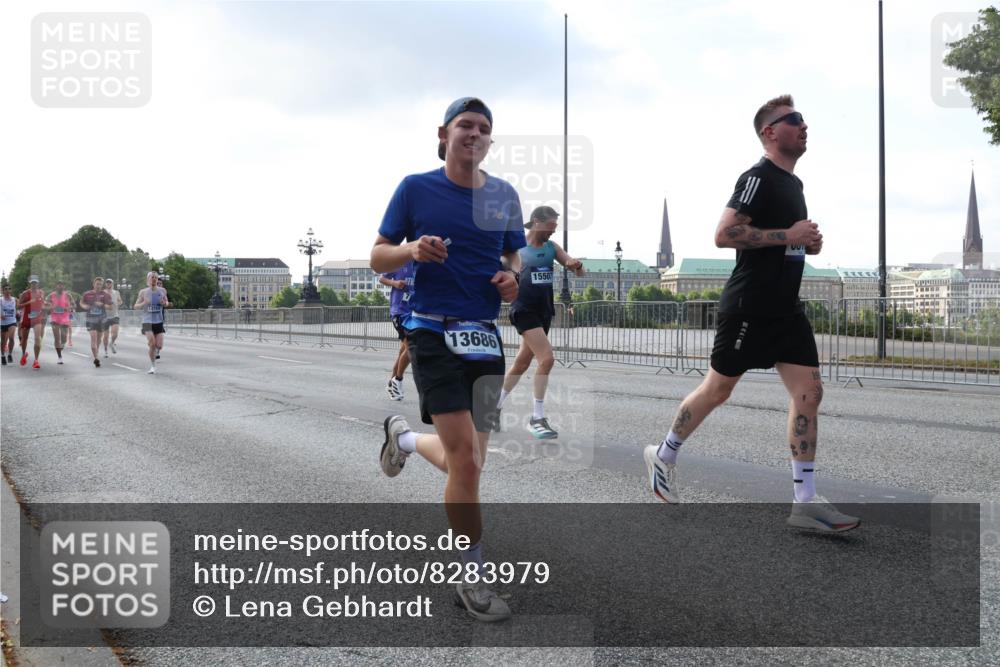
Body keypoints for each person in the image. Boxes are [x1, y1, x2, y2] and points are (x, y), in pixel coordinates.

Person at [643, 95, 859, 533]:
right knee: (717, 390)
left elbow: (783, 242)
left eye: (803, 118)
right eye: (794, 120)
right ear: (769, 132)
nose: (804, 125)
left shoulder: (793, 185)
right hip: (749, 305)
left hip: (786, 309)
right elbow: (725, 234)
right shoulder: (756, 177)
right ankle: (663, 455)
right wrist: (788, 234)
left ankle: (804, 501)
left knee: (810, 394)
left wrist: (805, 244)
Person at [372, 97, 524, 621]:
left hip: (483, 336)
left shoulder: (504, 196)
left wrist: (513, 280)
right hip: (430, 331)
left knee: (473, 462)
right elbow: (377, 255)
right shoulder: (416, 188)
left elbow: (512, 257)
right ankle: (472, 574)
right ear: (445, 133)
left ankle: (405, 440)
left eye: (484, 129)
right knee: (465, 459)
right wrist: (411, 250)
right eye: (466, 125)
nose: (475, 134)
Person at [496, 206, 584, 439]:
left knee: (521, 364)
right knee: (547, 359)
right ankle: (537, 417)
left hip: (544, 311)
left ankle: (492, 409)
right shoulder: (517, 250)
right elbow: (497, 274)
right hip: (523, 309)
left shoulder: (550, 248)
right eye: (550, 227)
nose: (553, 232)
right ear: (536, 222)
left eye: (555, 228)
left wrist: (576, 265)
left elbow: (572, 265)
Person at [378, 260, 415, 400]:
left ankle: (392, 383)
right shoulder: (400, 262)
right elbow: (382, 278)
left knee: (403, 351)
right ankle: (398, 380)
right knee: (412, 347)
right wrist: (395, 283)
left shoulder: (421, 264)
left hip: (413, 312)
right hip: (399, 312)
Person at [135, 271, 170, 374]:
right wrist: (144, 303)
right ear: (148, 280)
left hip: (158, 321)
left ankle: (154, 347)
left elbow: (166, 303)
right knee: (152, 344)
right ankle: (153, 366)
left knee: (159, 346)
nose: (154, 279)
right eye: (151, 277)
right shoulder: (143, 292)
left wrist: (164, 303)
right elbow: (135, 306)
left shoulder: (162, 290)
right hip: (147, 322)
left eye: (155, 277)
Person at [16, 276, 47, 369]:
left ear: (38, 283)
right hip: (26, 318)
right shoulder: (25, 294)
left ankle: (36, 360)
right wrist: (29, 302)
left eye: (35, 283)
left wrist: (46, 306)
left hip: (37, 318)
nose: (34, 284)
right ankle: (23, 354)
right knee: (24, 339)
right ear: (30, 283)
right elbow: (18, 306)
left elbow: (42, 304)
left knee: (37, 338)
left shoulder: (41, 292)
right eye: (32, 283)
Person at [80, 277, 111, 367]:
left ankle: (96, 353)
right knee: (93, 338)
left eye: (100, 284)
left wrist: (102, 305)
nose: (98, 286)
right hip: (91, 319)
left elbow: (110, 307)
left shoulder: (105, 295)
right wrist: (84, 306)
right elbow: (81, 302)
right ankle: (96, 358)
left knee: (98, 340)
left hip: (101, 320)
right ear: (93, 284)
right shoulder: (87, 294)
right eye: (97, 284)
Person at [47, 280, 74, 365]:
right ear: (56, 286)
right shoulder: (51, 295)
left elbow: (74, 305)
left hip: (65, 319)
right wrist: (50, 307)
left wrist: (69, 307)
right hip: (55, 319)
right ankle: (59, 357)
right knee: (57, 338)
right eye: (58, 285)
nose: (60, 286)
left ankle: (61, 346)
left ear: (64, 286)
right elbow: (45, 305)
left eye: (61, 285)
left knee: (64, 339)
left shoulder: (68, 295)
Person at [102, 278, 123, 356]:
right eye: (107, 283)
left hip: (115, 315)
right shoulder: (103, 292)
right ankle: (105, 351)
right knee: (106, 335)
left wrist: (118, 303)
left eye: (110, 283)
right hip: (105, 316)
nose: (108, 284)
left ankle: (112, 343)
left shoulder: (116, 292)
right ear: (105, 284)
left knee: (115, 333)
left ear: (112, 284)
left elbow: (120, 301)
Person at [1, 285, 17, 366]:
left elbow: (20, 307)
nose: (7, 290)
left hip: (12, 321)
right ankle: (3, 355)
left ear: (11, 290)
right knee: (3, 341)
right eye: (6, 289)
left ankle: (10, 354)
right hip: (3, 322)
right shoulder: (0, 300)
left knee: (11, 338)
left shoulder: (14, 299)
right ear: (3, 291)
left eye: (9, 288)